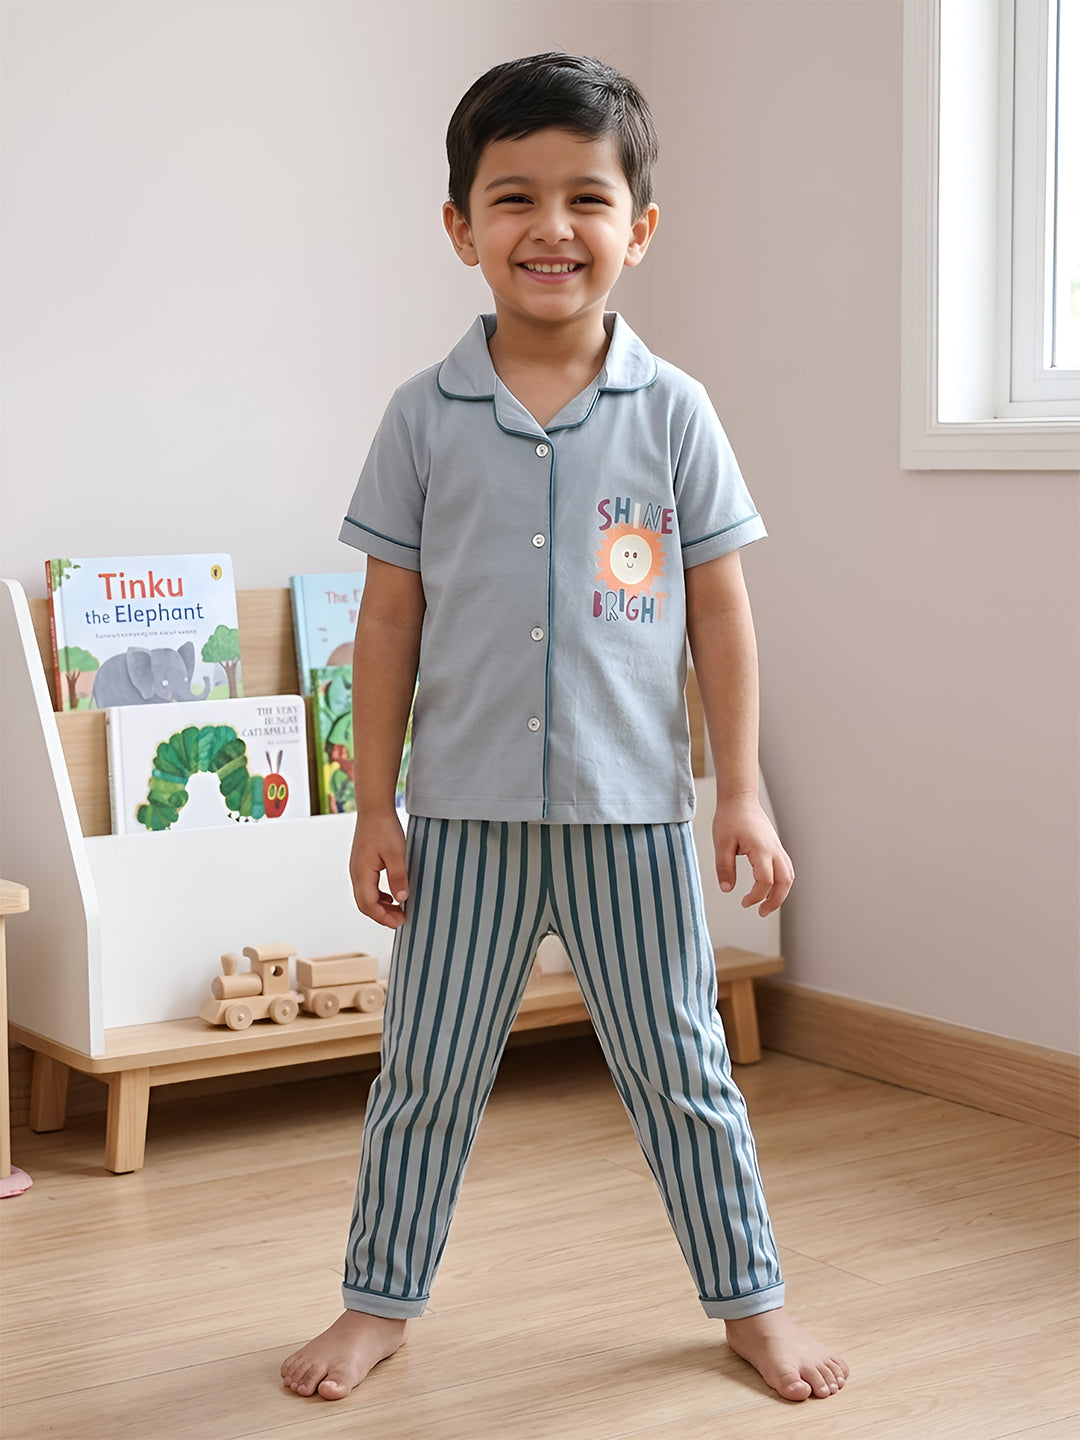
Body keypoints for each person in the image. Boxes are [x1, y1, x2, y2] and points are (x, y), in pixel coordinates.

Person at [282, 52, 849, 1405]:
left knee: (684, 1072)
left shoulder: (678, 412)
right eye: (514, 197)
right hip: (465, 820)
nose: (551, 228)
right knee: (425, 1073)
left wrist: (743, 792)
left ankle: (751, 1303)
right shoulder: (421, 419)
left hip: (633, 816)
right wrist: (374, 805)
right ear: (461, 226)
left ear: (638, 228)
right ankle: (378, 1303)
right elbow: (384, 625)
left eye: (587, 198)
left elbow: (722, 619)